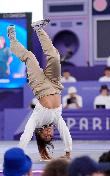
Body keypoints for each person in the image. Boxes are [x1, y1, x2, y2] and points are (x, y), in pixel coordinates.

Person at [7, 19, 72, 160]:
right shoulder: (56, 118)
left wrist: (19, 153)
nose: (49, 134)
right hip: (55, 84)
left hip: (40, 86)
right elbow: (65, 131)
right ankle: (38, 28)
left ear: (40, 134)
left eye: (46, 136)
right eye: (51, 136)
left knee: (30, 57)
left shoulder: (36, 120)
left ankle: (12, 40)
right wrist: (68, 152)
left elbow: (26, 134)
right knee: (55, 57)